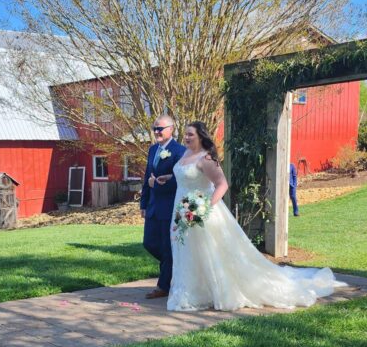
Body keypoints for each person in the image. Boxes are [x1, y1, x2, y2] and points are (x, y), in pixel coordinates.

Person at [167, 121, 343, 312]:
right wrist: (167, 180)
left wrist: (204, 207)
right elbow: (185, 177)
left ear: (201, 136)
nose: (186, 137)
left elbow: (222, 184)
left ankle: (213, 290)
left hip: (202, 213)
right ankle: (191, 291)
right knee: (186, 251)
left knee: (209, 252)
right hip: (182, 211)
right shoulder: (185, 155)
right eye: (185, 134)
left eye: (191, 134)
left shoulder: (206, 159)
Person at [140, 114, 186, 298]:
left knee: (167, 247)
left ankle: (163, 286)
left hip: (169, 206)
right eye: (154, 129)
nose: (157, 132)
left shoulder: (179, 151)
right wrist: (143, 203)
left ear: (171, 129)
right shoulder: (152, 150)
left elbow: (180, 181)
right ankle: (174, 266)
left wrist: (159, 184)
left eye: (160, 128)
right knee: (149, 243)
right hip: (152, 206)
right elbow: (147, 178)